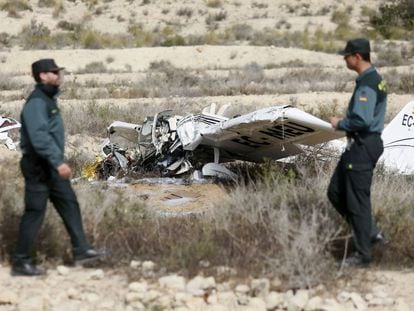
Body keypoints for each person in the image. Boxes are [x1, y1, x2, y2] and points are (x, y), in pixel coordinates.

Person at [12, 59, 105, 276]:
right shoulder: (37, 102)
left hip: (50, 166)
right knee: (35, 212)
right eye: (53, 72)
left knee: (69, 204)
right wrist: (57, 161)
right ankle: (20, 262)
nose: (58, 75)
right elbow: (39, 137)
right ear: (42, 76)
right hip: (39, 165)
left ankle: (82, 250)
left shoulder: (47, 99)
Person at [328, 38, 387, 267]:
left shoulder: (368, 84)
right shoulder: (372, 79)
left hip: (363, 145)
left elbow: (361, 119)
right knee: (335, 192)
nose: (345, 59)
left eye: (347, 55)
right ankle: (370, 232)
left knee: (357, 203)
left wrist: (339, 123)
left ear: (357, 57)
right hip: (359, 147)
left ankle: (363, 256)